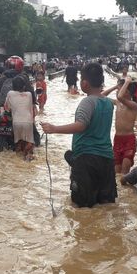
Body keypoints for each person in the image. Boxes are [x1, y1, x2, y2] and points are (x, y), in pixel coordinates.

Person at [41, 62, 117, 208]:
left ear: (85, 83)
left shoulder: (87, 102)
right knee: (106, 206)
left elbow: (81, 125)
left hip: (86, 159)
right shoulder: (107, 103)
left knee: (81, 206)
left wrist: (54, 128)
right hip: (107, 159)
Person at [102, 76, 137, 174]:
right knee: (116, 173)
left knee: (124, 172)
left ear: (128, 92)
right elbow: (101, 96)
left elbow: (120, 96)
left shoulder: (134, 105)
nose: (118, 91)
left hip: (129, 140)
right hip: (117, 139)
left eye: (121, 89)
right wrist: (115, 86)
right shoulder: (118, 103)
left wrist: (127, 82)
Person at [5, 75, 36, 161]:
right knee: (29, 144)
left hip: (16, 122)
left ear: (13, 86)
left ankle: (18, 161)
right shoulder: (29, 94)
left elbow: (7, 107)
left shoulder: (10, 93)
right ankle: (27, 156)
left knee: (18, 144)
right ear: (24, 86)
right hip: (28, 122)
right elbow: (31, 108)